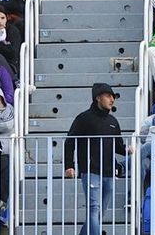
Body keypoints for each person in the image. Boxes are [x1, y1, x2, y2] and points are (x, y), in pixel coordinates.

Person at [65, 83, 127, 235]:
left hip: (109, 172)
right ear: (98, 98)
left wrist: (128, 150)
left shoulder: (113, 121)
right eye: (108, 96)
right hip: (90, 170)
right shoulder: (83, 118)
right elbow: (70, 141)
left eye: (113, 97)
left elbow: (118, 146)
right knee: (94, 209)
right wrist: (69, 165)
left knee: (99, 212)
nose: (112, 100)